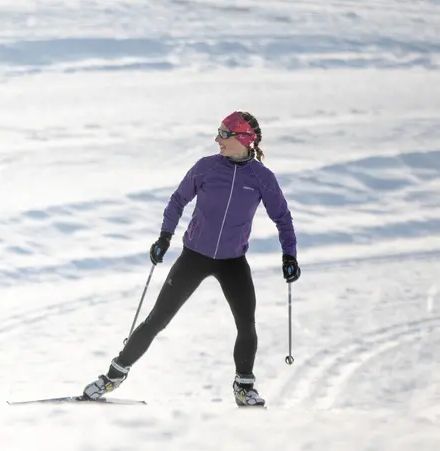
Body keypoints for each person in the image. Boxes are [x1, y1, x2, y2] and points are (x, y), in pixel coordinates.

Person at [82, 111, 300, 407]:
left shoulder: (262, 178)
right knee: (157, 319)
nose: (217, 139)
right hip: (194, 257)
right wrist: (164, 236)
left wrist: (289, 255)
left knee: (246, 324)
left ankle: (244, 387)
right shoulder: (206, 168)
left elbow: (282, 218)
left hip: (232, 261)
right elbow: (178, 200)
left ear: (244, 139)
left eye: (225, 134)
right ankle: (112, 376)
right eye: (219, 132)